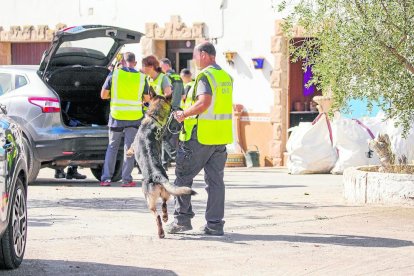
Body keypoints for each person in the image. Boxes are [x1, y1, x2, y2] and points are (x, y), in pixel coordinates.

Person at [167, 42, 233, 236]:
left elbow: (204, 102)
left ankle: (182, 220)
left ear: (204, 55)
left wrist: (183, 114)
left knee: (182, 177)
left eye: (196, 56)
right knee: (215, 182)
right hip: (219, 137)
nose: (195, 60)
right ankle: (214, 224)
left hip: (200, 136)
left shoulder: (205, 76)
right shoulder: (225, 76)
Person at [100, 52, 148, 187]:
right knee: (129, 149)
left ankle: (106, 179)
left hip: (116, 117)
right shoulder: (142, 78)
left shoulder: (114, 75)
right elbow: (146, 99)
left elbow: (103, 95)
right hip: (134, 118)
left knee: (112, 147)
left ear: (121, 62)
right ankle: (126, 179)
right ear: (135, 63)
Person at [141, 55, 174, 171]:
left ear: (151, 66)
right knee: (151, 142)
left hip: (161, 116)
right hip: (151, 115)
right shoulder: (148, 79)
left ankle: (163, 164)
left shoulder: (163, 78)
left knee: (158, 142)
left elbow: (168, 96)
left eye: (144, 66)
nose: (142, 68)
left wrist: (156, 102)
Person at [159, 58, 184, 170]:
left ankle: (176, 157)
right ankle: (164, 163)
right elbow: (183, 96)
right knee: (169, 136)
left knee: (164, 137)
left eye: (160, 66)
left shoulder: (166, 77)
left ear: (165, 66)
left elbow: (166, 94)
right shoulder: (178, 77)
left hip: (168, 110)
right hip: (177, 109)